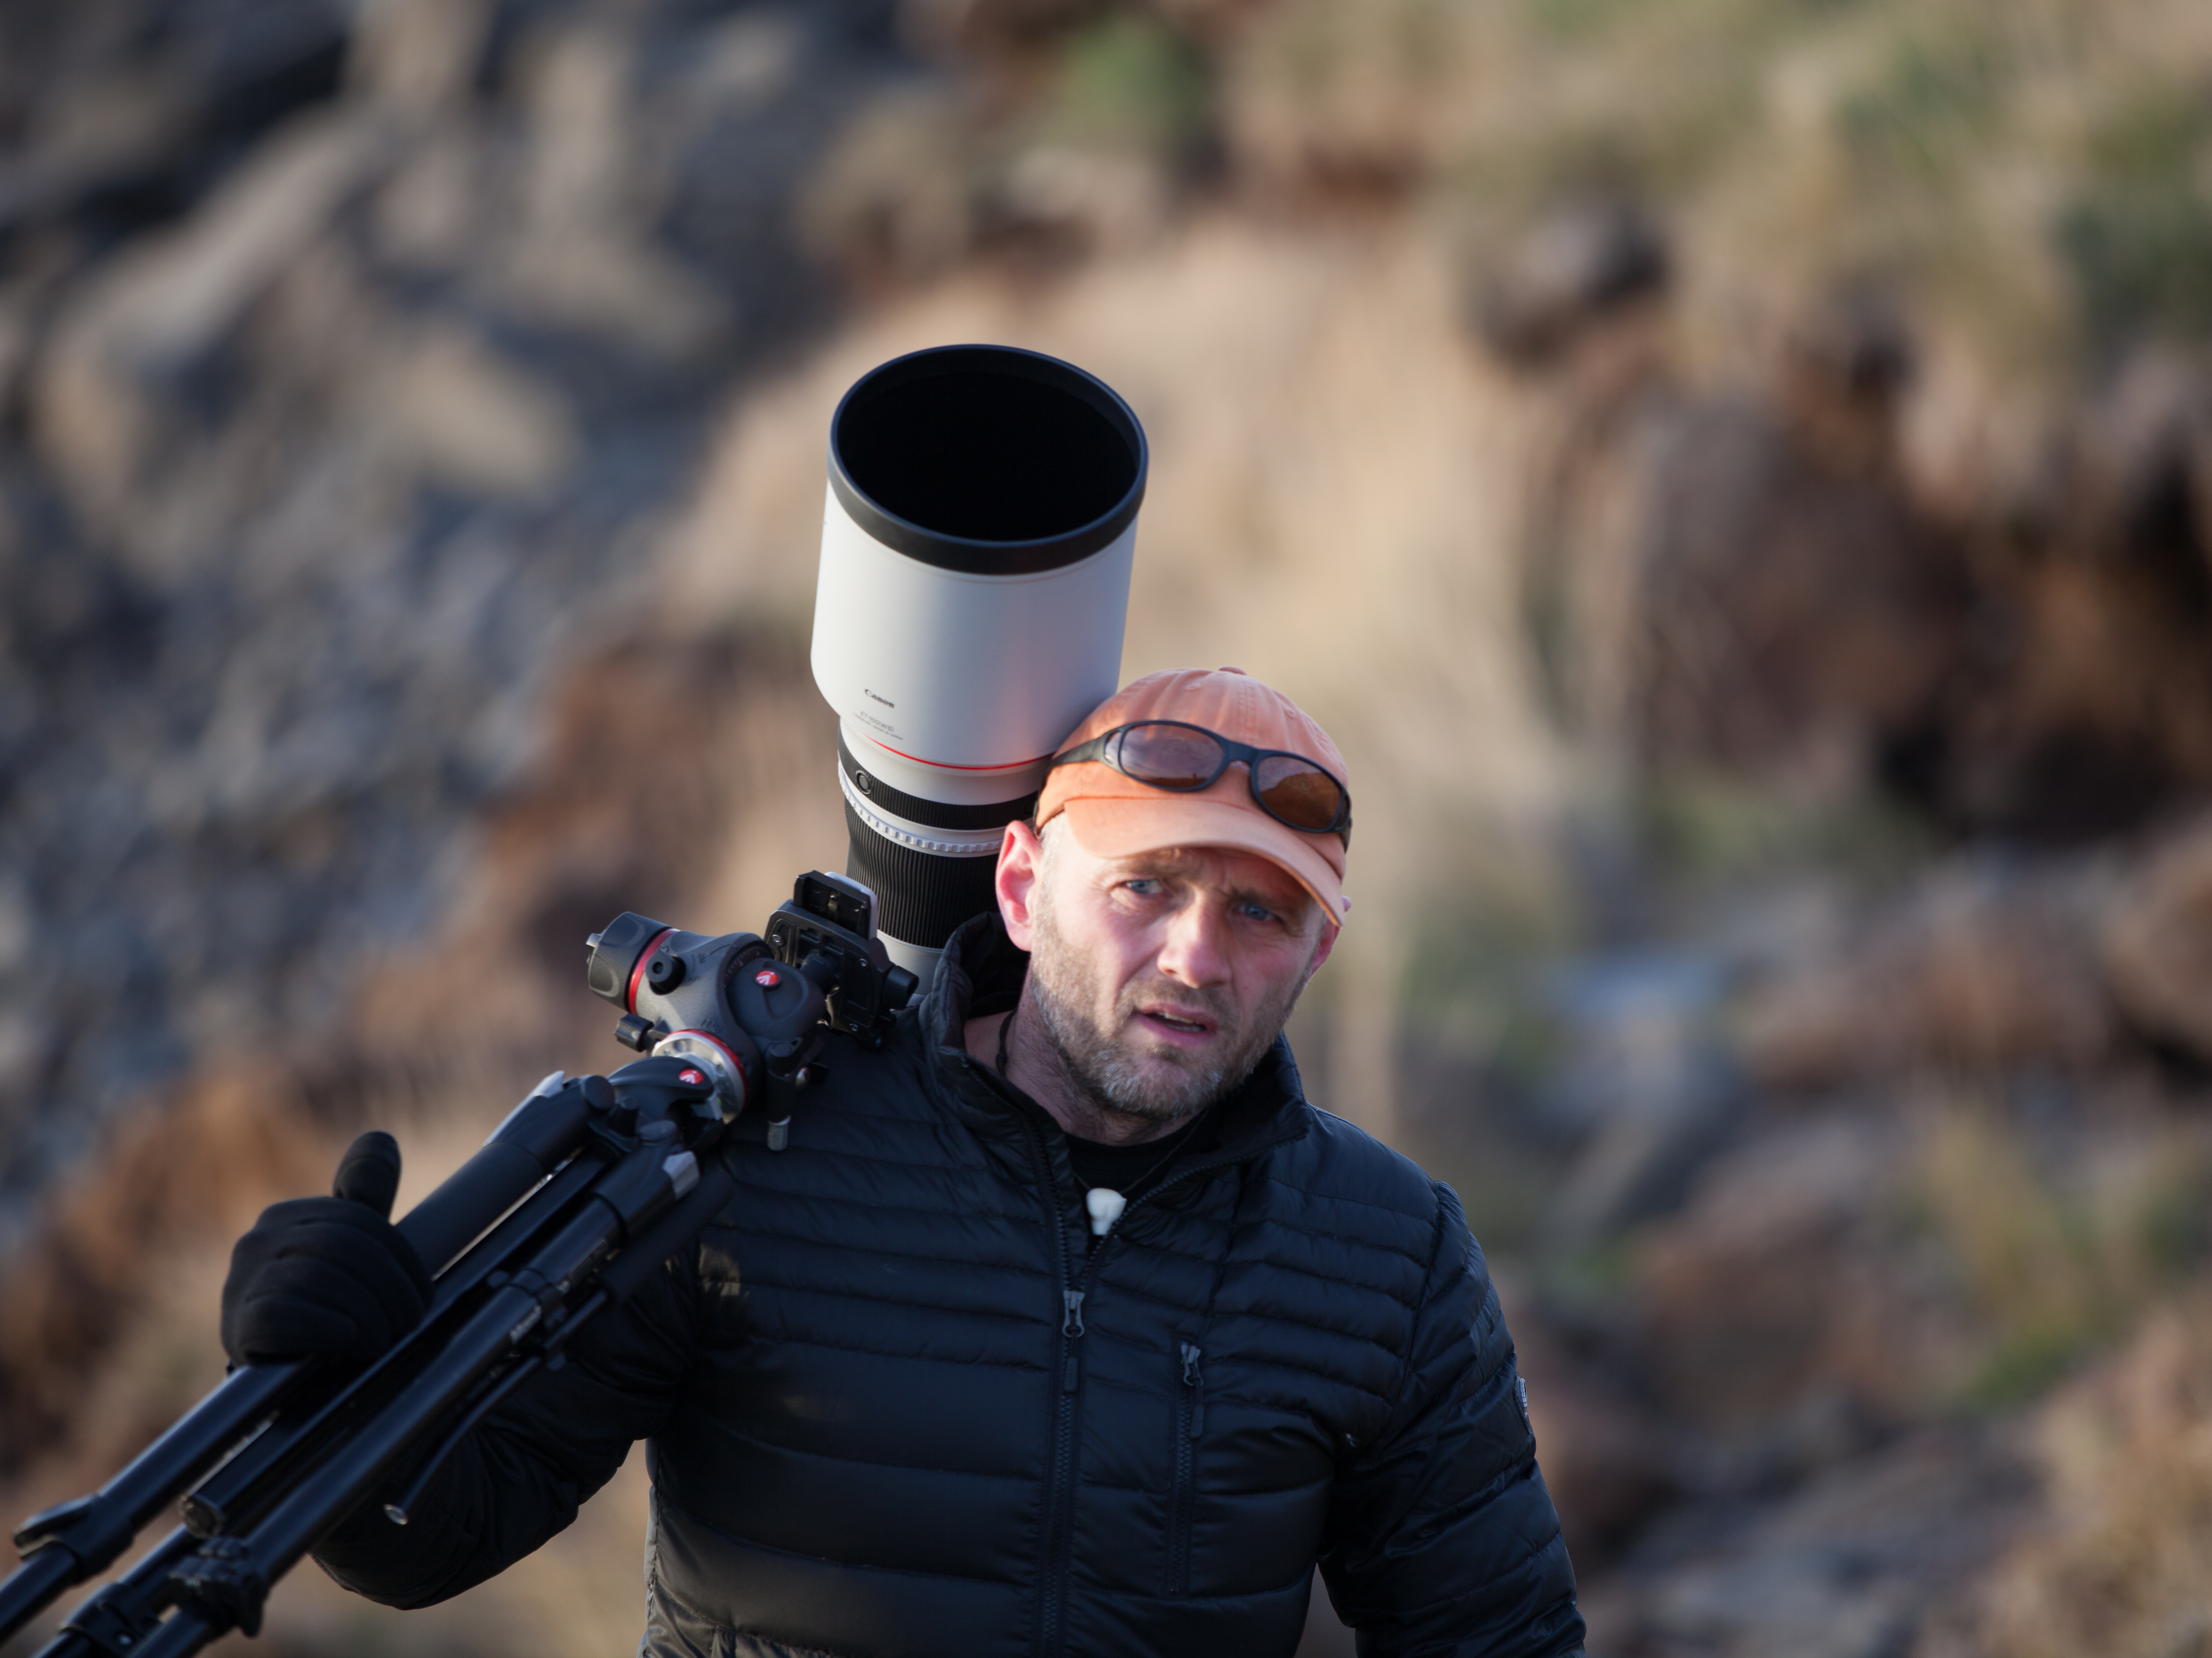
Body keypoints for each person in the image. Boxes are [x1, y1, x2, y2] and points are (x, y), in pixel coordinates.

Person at [223, 667, 1586, 1657]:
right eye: (1145, 887)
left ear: (1318, 954)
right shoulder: (753, 1145)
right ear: (1019, 885)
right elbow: (430, 1534)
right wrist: (332, 1388)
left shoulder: (1385, 1255)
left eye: (1258, 913)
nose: (1195, 958)